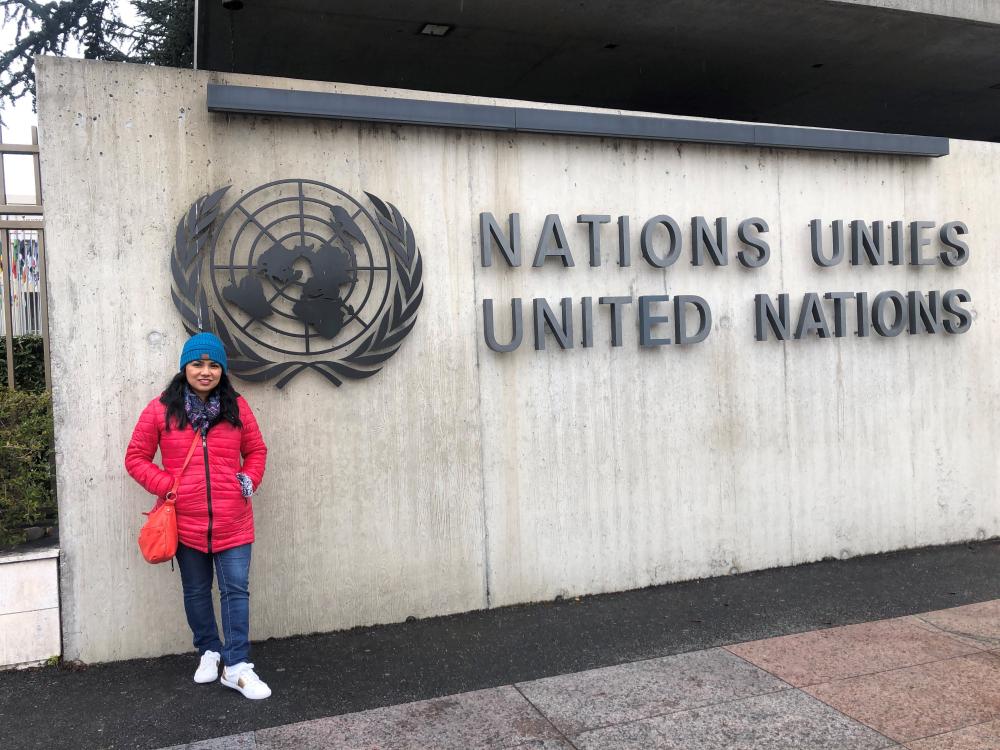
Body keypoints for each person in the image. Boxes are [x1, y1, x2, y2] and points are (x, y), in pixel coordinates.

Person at [125, 332, 270, 699]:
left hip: (233, 520)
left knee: (235, 590)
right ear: (184, 367)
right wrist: (167, 484)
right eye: (197, 364)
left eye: (213, 365)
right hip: (185, 521)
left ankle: (236, 666)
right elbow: (135, 458)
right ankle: (209, 650)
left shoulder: (237, 407)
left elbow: (257, 451)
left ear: (222, 369)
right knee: (195, 591)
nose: (205, 371)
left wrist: (247, 481)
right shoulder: (160, 409)